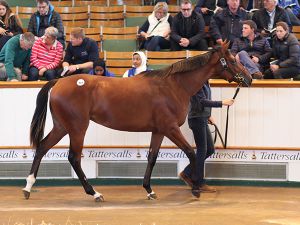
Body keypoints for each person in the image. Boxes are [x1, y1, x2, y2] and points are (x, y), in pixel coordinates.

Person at [179, 81, 234, 192]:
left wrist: (208, 115)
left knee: (209, 149)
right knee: (202, 150)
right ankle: (199, 183)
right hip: (197, 118)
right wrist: (222, 102)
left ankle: (187, 172)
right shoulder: (197, 83)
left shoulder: (204, 82)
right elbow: (202, 101)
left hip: (202, 117)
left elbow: (200, 102)